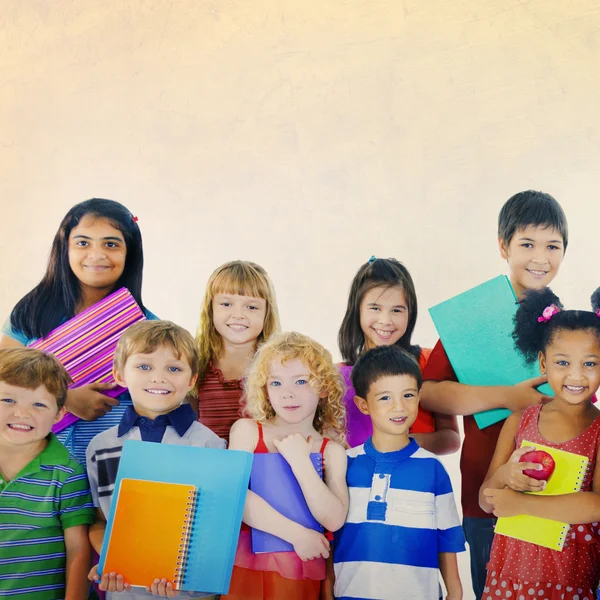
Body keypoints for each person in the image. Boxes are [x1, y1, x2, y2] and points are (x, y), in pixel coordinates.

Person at [419, 190, 568, 599]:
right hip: (486, 492)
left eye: (552, 246)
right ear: (503, 246)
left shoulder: (566, 322)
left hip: (553, 490)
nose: (540, 257)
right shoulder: (472, 319)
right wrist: (507, 397)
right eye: (527, 244)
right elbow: (429, 393)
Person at [0, 198, 158, 464]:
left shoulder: (146, 327)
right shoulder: (33, 310)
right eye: (83, 242)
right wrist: (67, 398)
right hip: (36, 463)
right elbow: (4, 369)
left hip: (114, 463)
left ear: (130, 252)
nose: (96, 255)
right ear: (65, 249)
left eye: (111, 244)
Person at [86, 320, 225, 599]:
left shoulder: (209, 443)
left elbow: (215, 527)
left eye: (173, 368)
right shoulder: (100, 447)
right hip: (124, 591)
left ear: (192, 380)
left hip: (189, 592)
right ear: (120, 374)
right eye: (144, 366)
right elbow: (100, 521)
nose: (158, 378)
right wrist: (108, 560)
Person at [479, 287, 600, 599]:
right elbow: (485, 500)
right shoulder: (518, 422)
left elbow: (597, 505)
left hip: (568, 579)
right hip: (509, 577)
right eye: (563, 363)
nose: (576, 375)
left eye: (589, 363)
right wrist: (506, 475)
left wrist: (522, 504)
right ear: (543, 364)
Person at [222, 331, 349, 600]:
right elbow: (233, 494)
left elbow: (334, 518)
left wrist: (300, 462)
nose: (287, 393)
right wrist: (297, 535)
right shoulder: (246, 431)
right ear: (264, 389)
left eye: (301, 381)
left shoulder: (332, 450)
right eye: (276, 383)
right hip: (244, 566)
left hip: (298, 571)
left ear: (324, 387)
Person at [333, 345, 465, 599]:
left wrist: (455, 593)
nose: (399, 407)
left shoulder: (433, 469)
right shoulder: (344, 464)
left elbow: (447, 537)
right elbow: (330, 537)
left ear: (419, 397)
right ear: (363, 404)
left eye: (408, 395)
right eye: (385, 397)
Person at [337, 256, 459, 454]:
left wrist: (399, 442)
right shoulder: (338, 376)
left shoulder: (428, 363)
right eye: (375, 308)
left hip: (416, 480)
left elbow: (451, 439)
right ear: (357, 309)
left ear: (410, 314)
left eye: (396, 310)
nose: (385, 320)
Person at [0, 347, 95, 600]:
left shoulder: (68, 472)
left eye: (39, 404)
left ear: (59, 414)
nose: (22, 413)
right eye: (8, 400)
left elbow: (78, 549)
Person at [192, 260, 280, 443]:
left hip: (261, 465)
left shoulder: (277, 368)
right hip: (210, 465)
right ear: (211, 309)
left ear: (266, 313)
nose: (238, 314)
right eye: (226, 304)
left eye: (252, 307)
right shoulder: (196, 364)